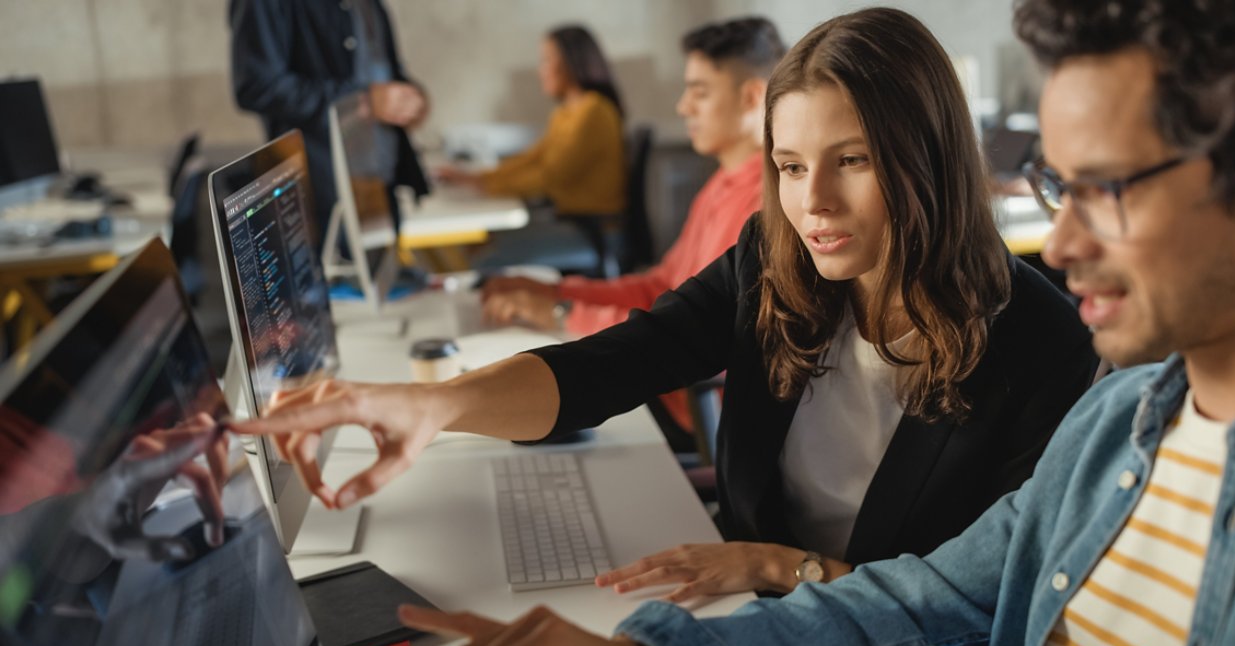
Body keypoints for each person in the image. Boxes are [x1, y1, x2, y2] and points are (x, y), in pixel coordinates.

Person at [376, 1, 1235, 646]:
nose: (1068, 240)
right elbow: (935, 606)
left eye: (1108, 187)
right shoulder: (1126, 419)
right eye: (1060, 187)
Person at [237, 6, 1095, 607]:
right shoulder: (777, 261)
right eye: (791, 168)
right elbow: (618, 362)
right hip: (751, 611)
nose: (814, 203)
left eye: (855, 161)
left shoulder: (1040, 343)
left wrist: (780, 569)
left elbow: (990, 607)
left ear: (928, 159)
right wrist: (435, 405)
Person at [480, 16, 785, 439]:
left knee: (519, 409)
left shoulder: (762, 209)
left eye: (699, 91)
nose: (683, 107)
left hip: (691, 406)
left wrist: (561, 311)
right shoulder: (721, 182)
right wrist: (556, 292)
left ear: (752, 97)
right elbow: (662, 288)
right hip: (667, 381)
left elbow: (694, 339)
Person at [228, 0, 430, 238]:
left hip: (379, 187)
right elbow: (256, 86)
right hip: (322, 199)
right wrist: (362, 102)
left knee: (386, 272)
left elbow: (377, 68)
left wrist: (410, 100)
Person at [438, 25, 627, 274]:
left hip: (594, 232)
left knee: (482, 257)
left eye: (547, 60)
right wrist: (477, 178)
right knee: (479, 245)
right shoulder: (564, 113)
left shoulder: (593, 112)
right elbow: (530, 159)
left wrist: (484, 185)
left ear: (571, 61)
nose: (541, 70)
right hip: (571, 222)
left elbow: (550, 177)